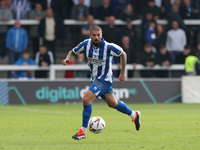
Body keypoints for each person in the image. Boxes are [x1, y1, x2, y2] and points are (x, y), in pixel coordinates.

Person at [62, 25, 141, 140]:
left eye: (98, 35)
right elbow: (72, 51)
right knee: (113, 103)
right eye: (94, 35)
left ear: (101, 35)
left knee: (86, 99)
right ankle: (134, 115)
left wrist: (122, 72)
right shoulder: (86, 44)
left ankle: (83, 131)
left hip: (105, 79)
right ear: (90, 36)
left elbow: (123, 54)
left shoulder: (109, 47)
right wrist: (67, 58)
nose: (96, 37)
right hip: (95, 79)